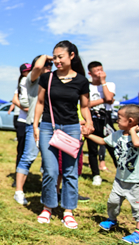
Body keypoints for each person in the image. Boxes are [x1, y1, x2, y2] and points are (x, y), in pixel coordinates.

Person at [34, 41, 93, 229]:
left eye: (61, 56)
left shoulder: (81, 81)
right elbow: (40, 103)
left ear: (72, 56)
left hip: (72, 128)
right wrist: (35, 126)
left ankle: (68, 211)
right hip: (48, 127)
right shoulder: (47, 79)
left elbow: (84, 106)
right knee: (50, 171)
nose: (57, 60)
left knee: (70, 172)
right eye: (55, 57)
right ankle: (48, 207)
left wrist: (89, 122)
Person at [86, 105, 139, 245]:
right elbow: (103, 141)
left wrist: (133, 131)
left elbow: (137, 144)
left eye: (119, 119)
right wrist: (88, 135)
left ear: (131, 121)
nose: (116, 120)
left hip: (136, 181)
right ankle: (112, 220)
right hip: (120, 179)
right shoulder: (117, 134)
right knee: (113, 202)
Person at [13, 55, 52, 205]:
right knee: (27, 157)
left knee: (49, 162)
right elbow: (36, 68)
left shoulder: (54, 80)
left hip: (51, 125)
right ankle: (19, 191)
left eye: (50, 65)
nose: (48, 67)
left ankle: (49, 192)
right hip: (35, 124)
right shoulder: (32, 79)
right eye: (46, 64)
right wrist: (49, 56)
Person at [86, 61, 117, 186]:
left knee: (113, 147)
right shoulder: (87, 86)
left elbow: (110, 98)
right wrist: (103, 100)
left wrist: (103, 82)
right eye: (97, 70)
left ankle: (121, 172)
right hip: (92, 118)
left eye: (101, 69)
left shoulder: (109, 84)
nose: (100, 72)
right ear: (90, 73)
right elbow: (86, 104)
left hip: (106, 119)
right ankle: (96, 174)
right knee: (92, 149)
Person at [12, 63, 31, 174]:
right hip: (22, 121)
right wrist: (25, 108)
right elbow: (15, 100)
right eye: (27, 71)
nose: (28, 73)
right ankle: (18, 173)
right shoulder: (21, 83)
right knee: (21, 150)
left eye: (30, 70)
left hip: (35, 121)